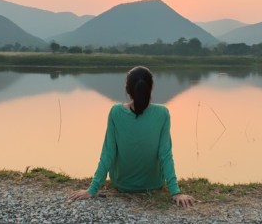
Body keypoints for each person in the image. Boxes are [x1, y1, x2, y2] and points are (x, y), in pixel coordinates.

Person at [69, 66, 195, 207]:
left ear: (128, 89)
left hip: (122, 184)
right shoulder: (162, 113)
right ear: (151, 88)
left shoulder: (116, 112)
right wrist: (175, 192)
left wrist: (92, 190)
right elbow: (165, 153)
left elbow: (108, 153)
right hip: (153, 184)